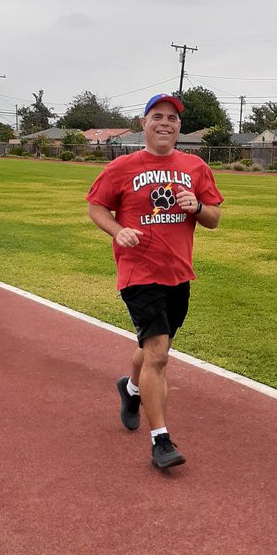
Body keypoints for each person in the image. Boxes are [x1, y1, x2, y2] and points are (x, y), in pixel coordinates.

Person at [86, 94, 224, 470]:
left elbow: (213, 218)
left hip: (178, 273)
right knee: (159, 355)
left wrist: (196, 207)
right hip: (138, 272)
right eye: (157, 117)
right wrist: (117, 231)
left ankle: (130, 389)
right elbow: (96, 206)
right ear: (144, 123)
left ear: (179, 127)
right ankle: (160, 441)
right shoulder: (123, 166)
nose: (165, 123)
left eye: (173, 119)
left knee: (153, 350)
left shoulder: (195, 167)